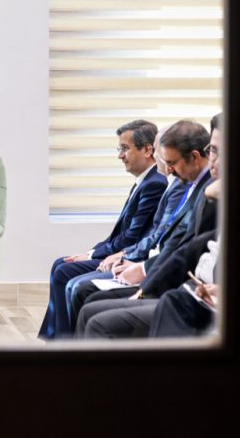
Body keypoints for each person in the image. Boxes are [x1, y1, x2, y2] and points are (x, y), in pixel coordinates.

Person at [75, 117, 220, 338]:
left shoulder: (206, 190)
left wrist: (144, 277)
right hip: (173, 279)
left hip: (182, 287)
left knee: (92, 309)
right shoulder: (191, 185)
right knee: (84, 298)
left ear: (193, 157)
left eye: (172, 163)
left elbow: (183, 247)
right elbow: (175, 242)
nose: (168, 170)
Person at [37, 120, 167, 339]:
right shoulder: (144, 181)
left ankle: (63, 341)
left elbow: (130, 238)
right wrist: (90, 252)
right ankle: (58, 339)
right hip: (123, 251)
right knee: (60, 264)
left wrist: (93, 255)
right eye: (119, 149)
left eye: (124, 148)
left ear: (147, 150)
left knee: (64, 272)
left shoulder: (155, 183)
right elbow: (119, 234)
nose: (120, 156)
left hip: (131, 256)